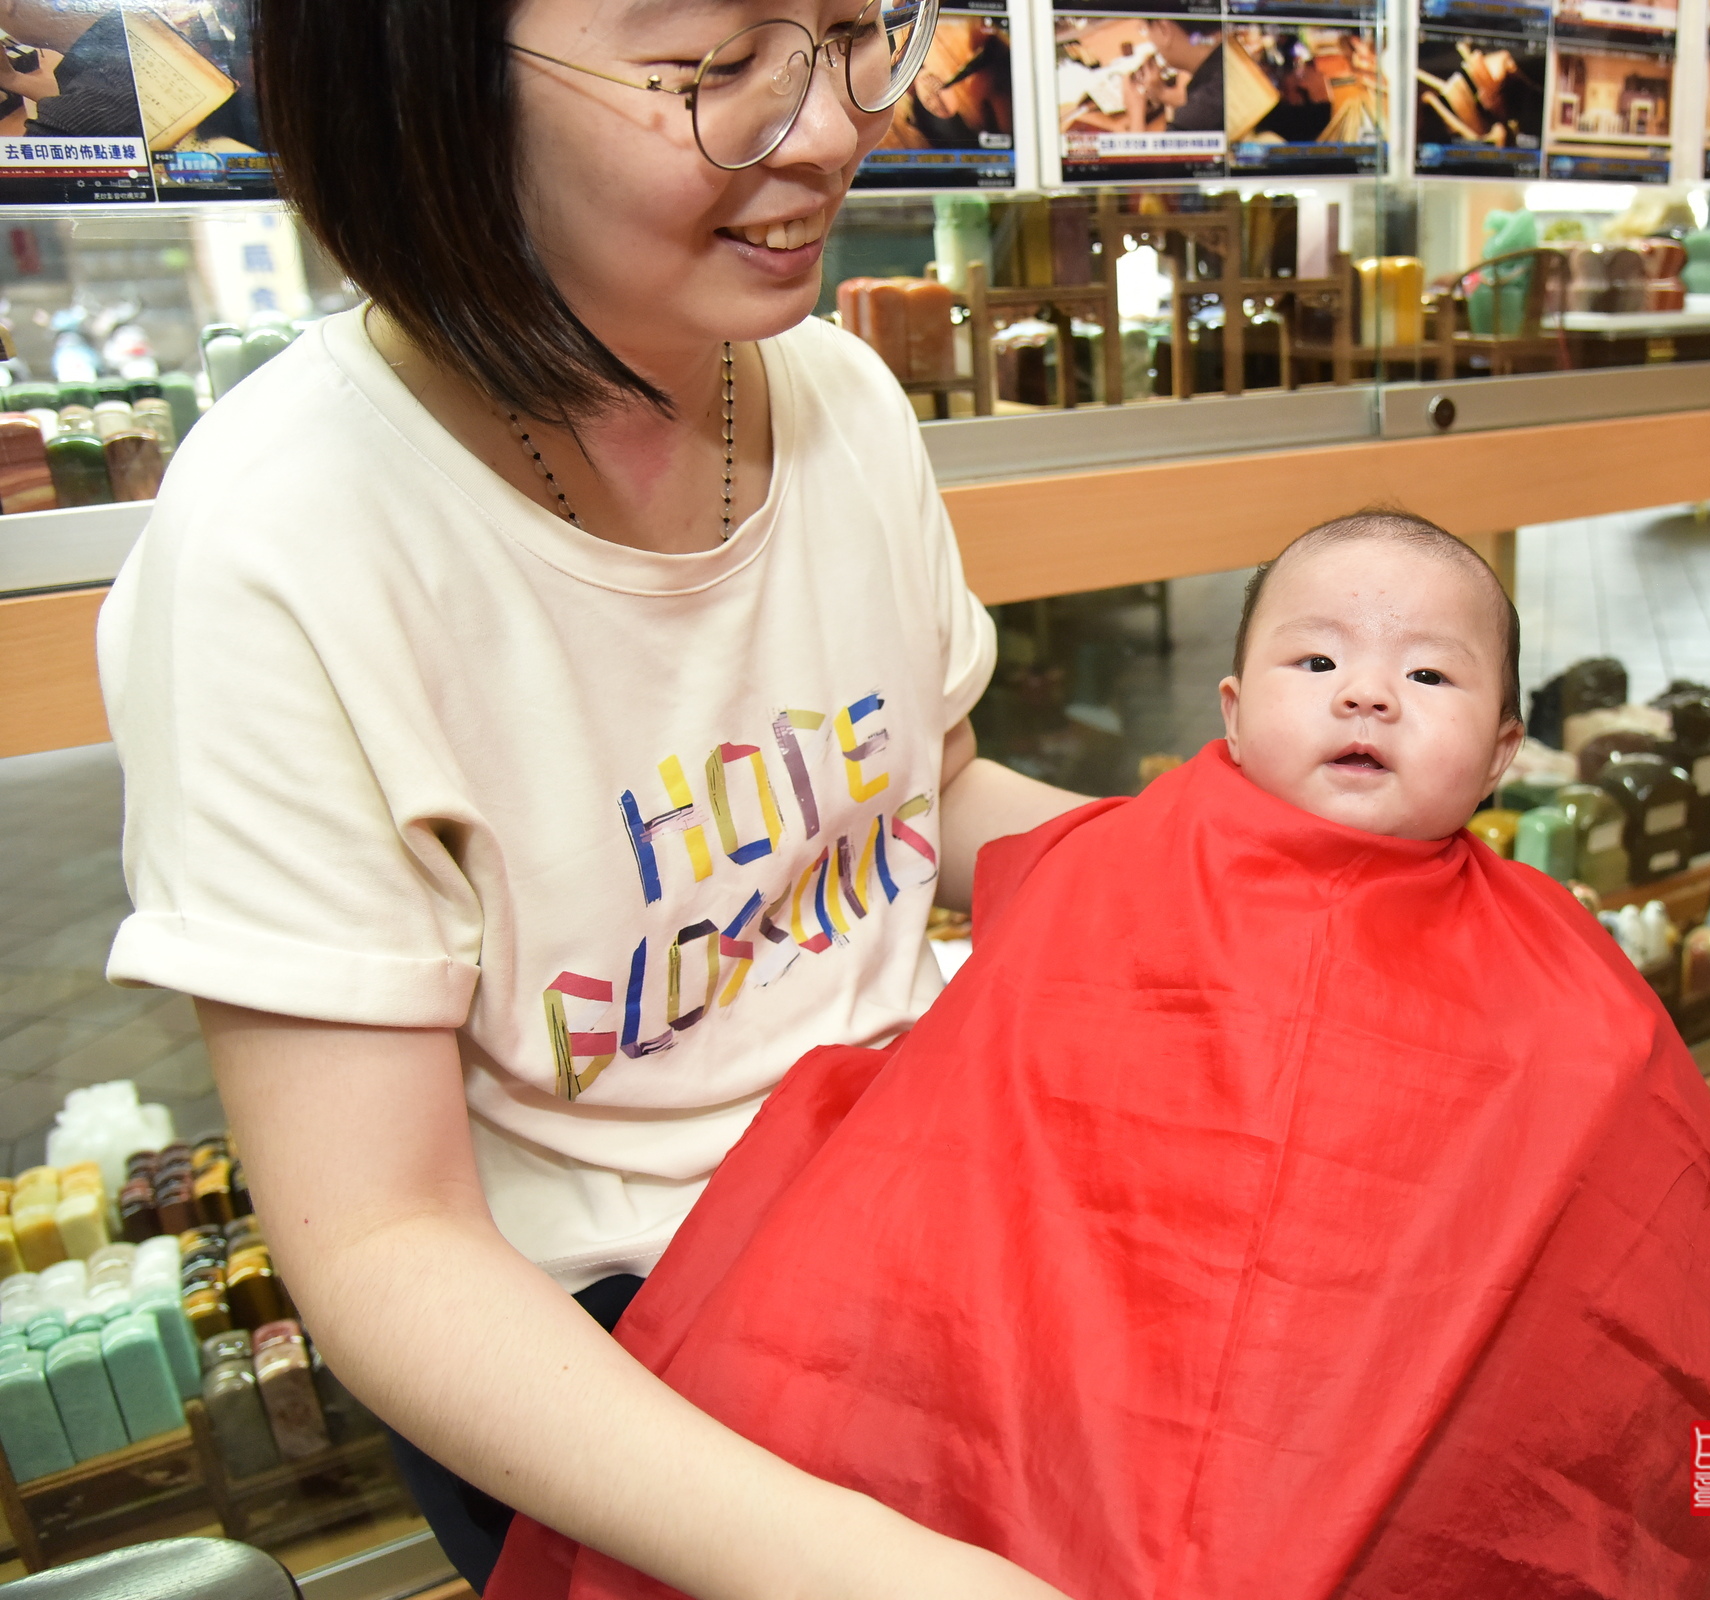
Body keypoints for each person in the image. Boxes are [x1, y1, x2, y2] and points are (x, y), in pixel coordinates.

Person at [98, 4, 1085, 1596]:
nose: (827, 131)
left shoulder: (834, 395)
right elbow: (379, 1241)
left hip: (919, 1210)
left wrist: (1221, 856)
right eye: (710, 70)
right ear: (431, 85)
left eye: (849, 36)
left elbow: (926, 795)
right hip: (602, 1353)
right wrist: (866, 1569)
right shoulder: (280, 549)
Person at [488, 512, 1710, 1600]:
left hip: (1368, 1366)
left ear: (1502, 754)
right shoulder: (1122, 857)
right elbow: (1009, 1105)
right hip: (1080, 1359)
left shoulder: (1553, 964)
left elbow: (1642, 1198)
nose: (1368, 689)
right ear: (1232, 716)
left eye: (1428, 675)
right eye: (1318, 665)